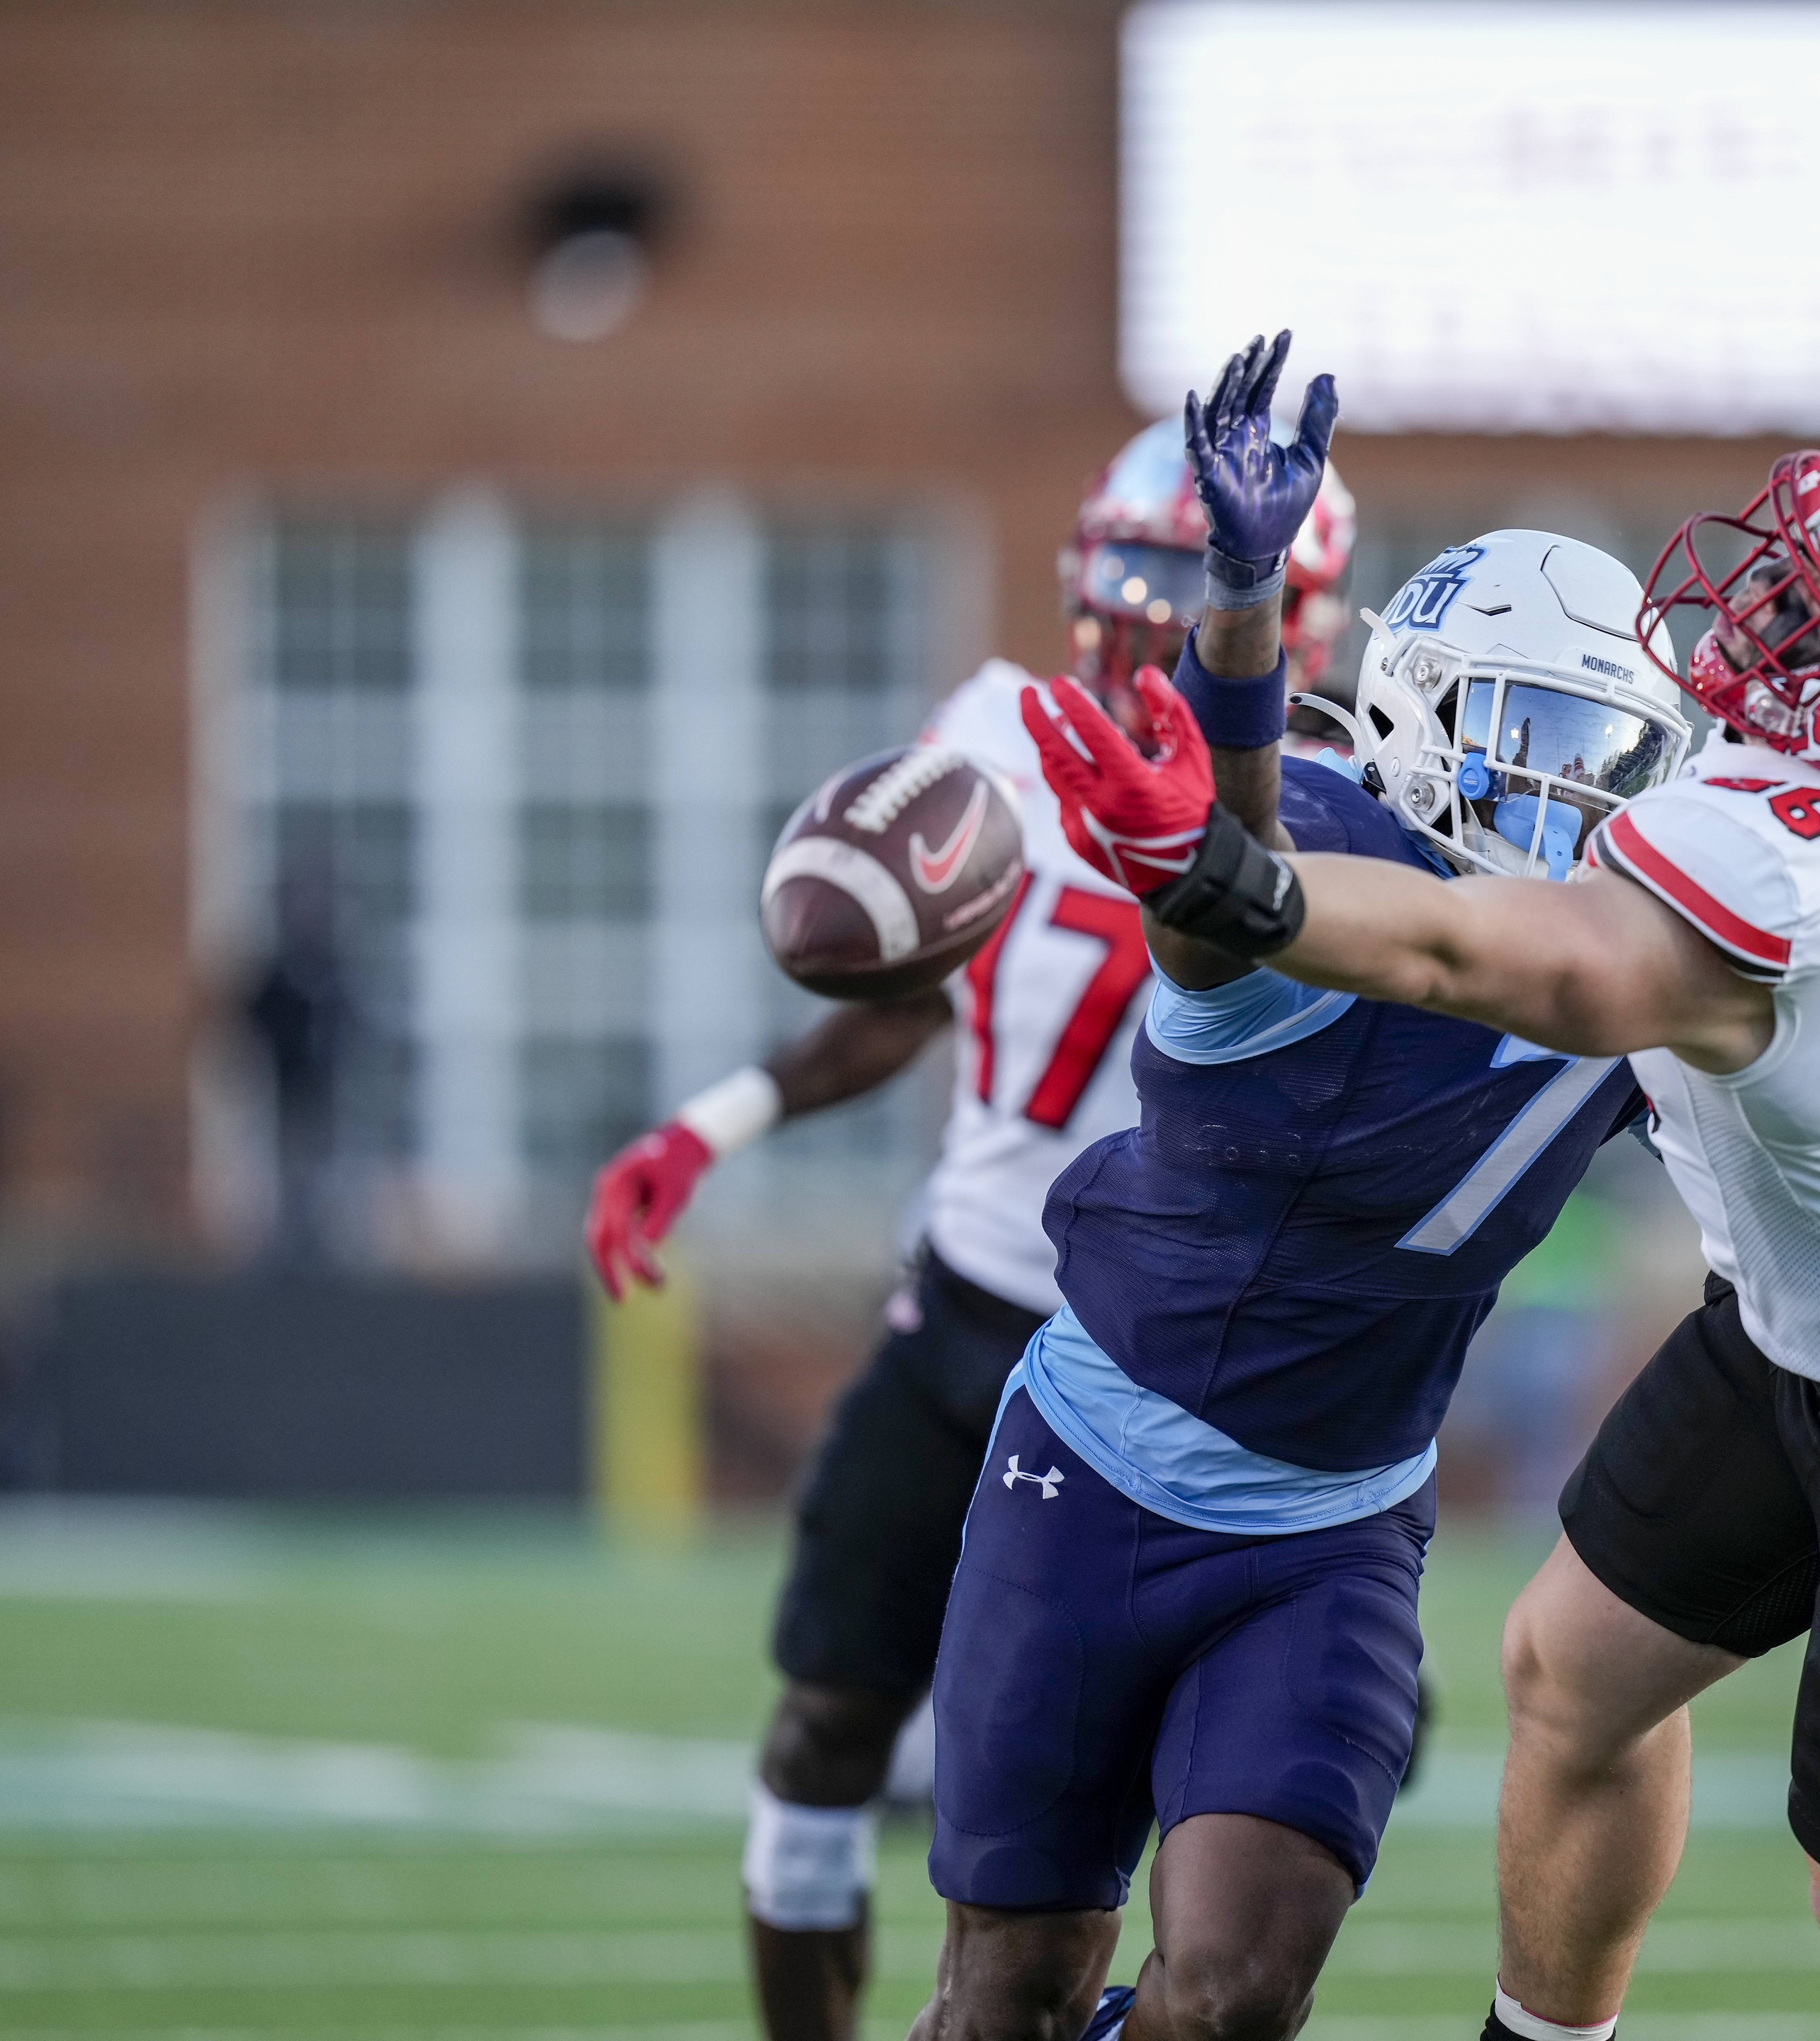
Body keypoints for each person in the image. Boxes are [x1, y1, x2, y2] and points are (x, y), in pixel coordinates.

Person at [1057, 413, 1820, 2040]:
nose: (1774, 617)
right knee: (1572, 1679)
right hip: (1803, 1338)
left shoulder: (1798, 878)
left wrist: (1244, 888)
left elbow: (1509, 960)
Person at [915, 332, 1695, 2041]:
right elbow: (1218, 866)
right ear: (1418, 709)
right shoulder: (1320, 854)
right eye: (1523, 729)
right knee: (1003, 1999)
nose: (1561, 784)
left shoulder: (1635, 960)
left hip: (1329, 1527)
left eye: (1600, 744)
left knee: (1241, 1995)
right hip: (1095, 1468)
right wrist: (1244, 605)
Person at [580, 413, 1353, 2041]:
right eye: (1128, 564)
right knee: (817, 1741)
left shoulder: (1329, 801)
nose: (1143, 602)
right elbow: (905, 997)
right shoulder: (1001, 730)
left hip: (1159, 1363)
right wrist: (711, 1124)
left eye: (1181, 569)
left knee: (1087, 1867)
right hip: (971, 1308)